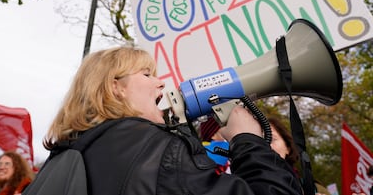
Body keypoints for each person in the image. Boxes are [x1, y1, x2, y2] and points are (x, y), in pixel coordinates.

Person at [43, 46, 303, 194]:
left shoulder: (65, 155)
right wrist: (248, 141)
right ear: (115, 88)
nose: (160, 82)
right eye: (146, 74)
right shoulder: (154, 150)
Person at [268, 117, 331, 195]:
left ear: (288, 148)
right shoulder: (249, 187)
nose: (265, 144)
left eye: (271, 139)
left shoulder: (315, 189)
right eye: (259, 140)